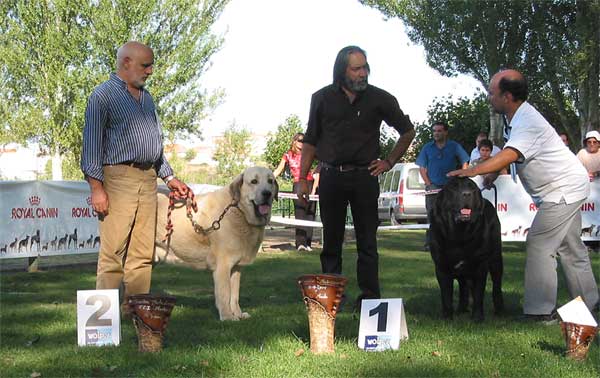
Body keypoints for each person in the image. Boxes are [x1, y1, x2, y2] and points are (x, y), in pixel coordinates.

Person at [448, 69, 599, 320]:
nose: (489, 97)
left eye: (492, 92)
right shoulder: (516, 118)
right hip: (565, 187)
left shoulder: (526, 121)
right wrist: (492, 175)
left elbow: (510, 155)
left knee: (539, 244)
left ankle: (540, 312)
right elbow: (511, 154)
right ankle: (591, 303)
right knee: (571, 249)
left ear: (507, 96)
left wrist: (472, 170)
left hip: (562, 190)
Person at [297, 45, 415, 310]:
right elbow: (311, 140)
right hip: (330, 177)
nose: (363, 73)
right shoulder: (322, 98)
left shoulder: (380, 98)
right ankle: (331, 298)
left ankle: (371, 299)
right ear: (342, 71)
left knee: (367, 243)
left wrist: (389, 161)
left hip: (365, 178)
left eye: (365, 67)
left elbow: (407, 132)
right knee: (331, 242)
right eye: (356, 68)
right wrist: (302, 177)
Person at [81, 41, 190, 311]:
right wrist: (97, 188)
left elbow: (155, 145)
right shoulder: (102, 96)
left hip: (148, 178)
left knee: (143, 253)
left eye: (151, 65)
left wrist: (170, 177)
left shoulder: (148, 98)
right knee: (113, 253)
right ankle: (104, 322)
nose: (150, 71)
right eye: (145, 65)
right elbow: (91, 146)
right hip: (117, 178)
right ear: (126, 62)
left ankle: (137, 311)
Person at [416, 121, 469, 249]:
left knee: (451, 214)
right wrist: (429, 184)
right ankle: (431, 243)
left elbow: (465, 161)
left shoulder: (454, 146)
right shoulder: (427, 148)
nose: (436, 133)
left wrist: (462, 176)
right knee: (432, 215)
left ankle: (451, 241)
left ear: (445, 132)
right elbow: (422, 168)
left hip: (450, 187)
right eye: (434, 131)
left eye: (439, 131)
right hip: (433, 187)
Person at [273, 132, 317, 251]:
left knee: (310, 213)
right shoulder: (287, 155)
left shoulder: (310, 153)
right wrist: (267, 178)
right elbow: (278, 170)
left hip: (311, 183)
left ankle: (308, 243)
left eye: (304, 141)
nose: (302, 143)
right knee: (300, 214)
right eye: (300, 140)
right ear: (294, 141)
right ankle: (300, 244)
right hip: (298, 183)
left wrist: (316, 173)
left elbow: (323, 162)